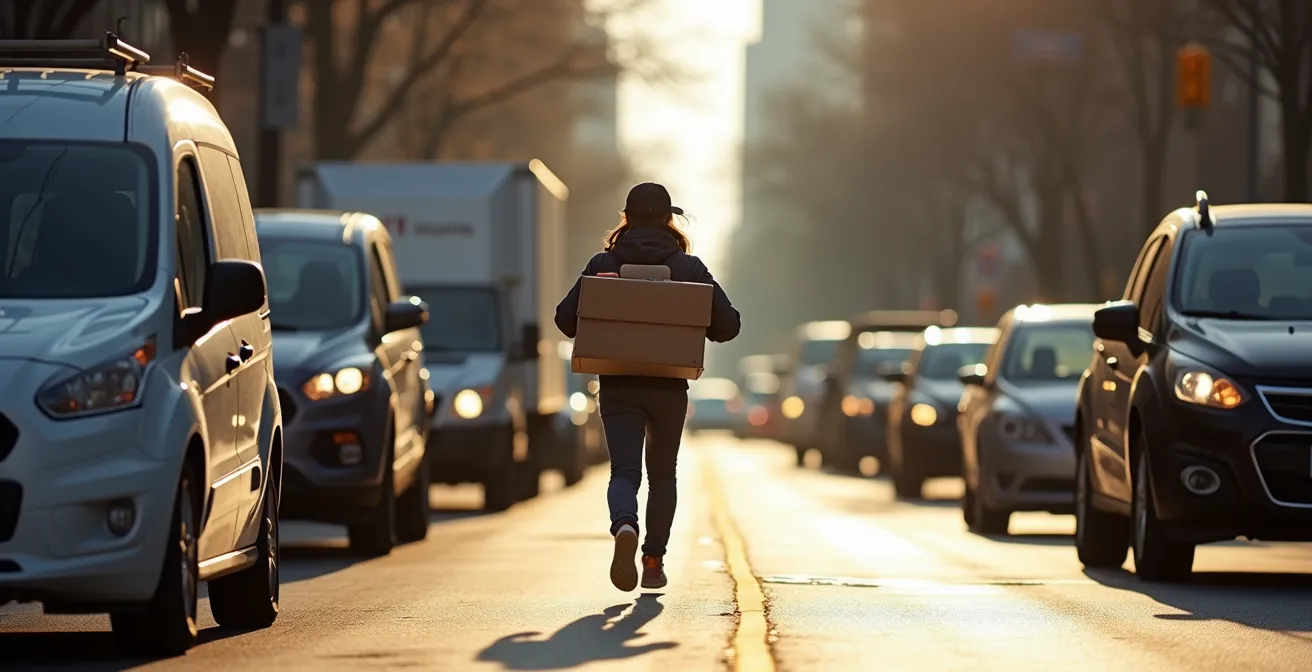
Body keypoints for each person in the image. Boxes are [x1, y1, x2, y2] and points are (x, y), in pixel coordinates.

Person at [554, 182, 740, 591]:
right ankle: (653, 561)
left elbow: (565, 321)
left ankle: (625, 525)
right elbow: (728, 327)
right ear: (669, 220)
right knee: (663, 475)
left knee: (624, 471)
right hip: (669, 387)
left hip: (617, 383)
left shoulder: (602, 263)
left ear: (626, 217)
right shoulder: (690, 269)